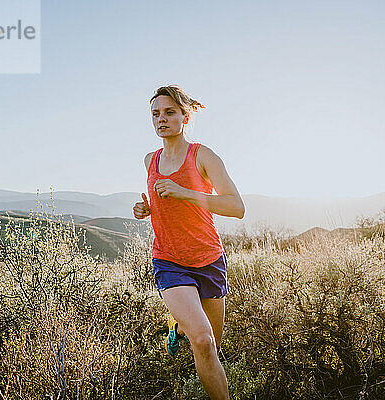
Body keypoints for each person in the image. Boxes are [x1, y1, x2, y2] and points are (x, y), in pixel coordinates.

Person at [133, 85, 245, 400]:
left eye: (169, 112)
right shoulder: (150, 161)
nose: (161, 119)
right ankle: (185, 322)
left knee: (213, 346)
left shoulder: (203, 156)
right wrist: (146, 209)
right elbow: (163, 203)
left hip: (208, 259)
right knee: (204, 342)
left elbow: (236, 207)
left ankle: (178, 323)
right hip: (169, 260)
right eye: (155, 114)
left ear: (185, 115)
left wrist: (186, 193)